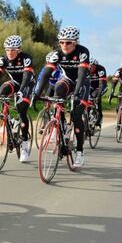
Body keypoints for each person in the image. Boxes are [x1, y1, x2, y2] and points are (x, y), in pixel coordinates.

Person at [34, 26, 90, 168]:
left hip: (82, 83)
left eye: (68, 42)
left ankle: (79, 152)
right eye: (62, 42)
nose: (64, 45)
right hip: (68, 81)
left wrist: (76, 94)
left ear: (75, 42)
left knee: (76, 115)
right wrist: (37, 94)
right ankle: (61, 123)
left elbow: (82, 74)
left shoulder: (83, 52)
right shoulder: (57, 54)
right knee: (59, 88)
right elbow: (46, 74)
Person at [0, 35, 35, 163]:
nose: (10, 53)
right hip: (15, 82)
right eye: (7, 50)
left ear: (19, 50)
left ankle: (25, 144)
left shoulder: (26, 58)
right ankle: (8, 119)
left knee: (22, 110)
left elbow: (27, 76)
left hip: (27, 84)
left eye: (13, 50)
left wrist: (21, 92)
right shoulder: (2, 59)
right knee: (2, 90)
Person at [88, 58, 107, 126]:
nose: (91, 68)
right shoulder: (85, 69)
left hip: (100, 86)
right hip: (90, 86)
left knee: (95, 97)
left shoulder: (100, 69)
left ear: (96, 66)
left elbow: (102, 84)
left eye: (93, 66)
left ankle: (99, 116)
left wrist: (98, 96)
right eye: (90, 66)